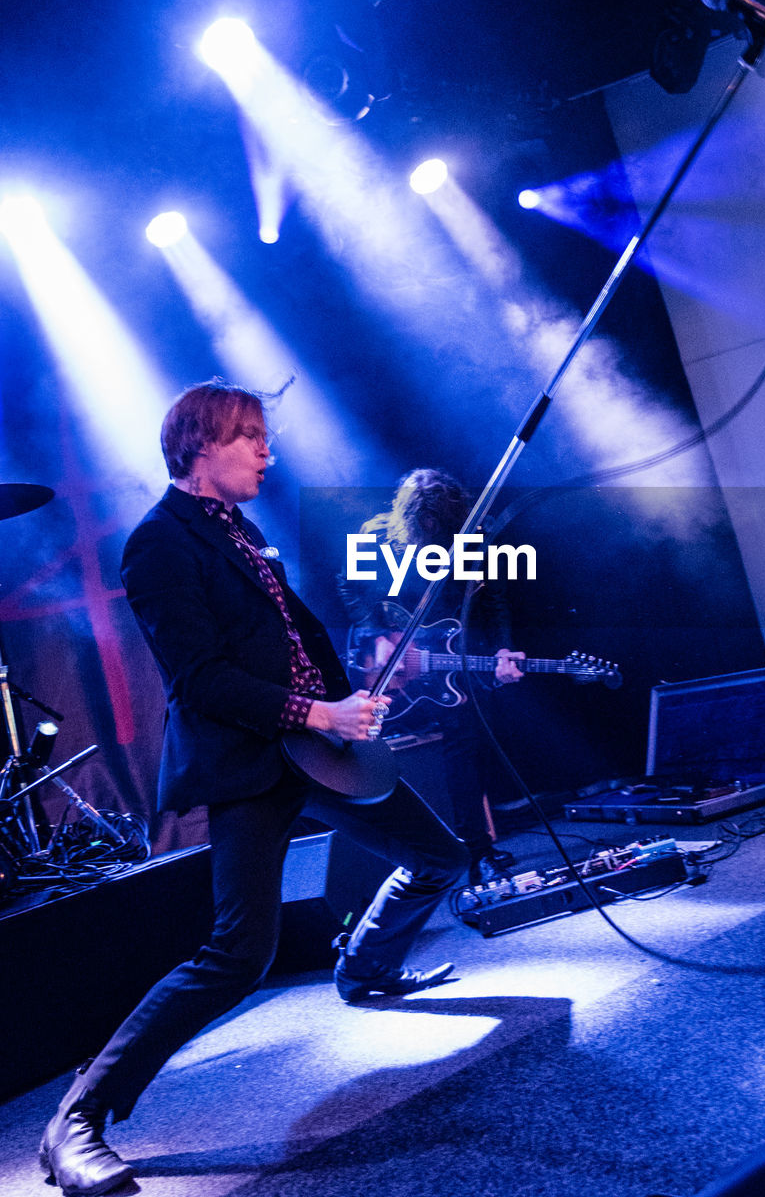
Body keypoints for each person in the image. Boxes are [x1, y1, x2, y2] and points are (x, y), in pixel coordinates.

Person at [40, 381, 467, 1197]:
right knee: (239, 953)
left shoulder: (240, 530)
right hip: (253, 762)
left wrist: (347, 706)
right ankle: (79, 1119)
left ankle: (366, 965)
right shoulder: (159, 544)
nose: (268, 452)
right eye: (251, 438)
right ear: (201, 444)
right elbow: (200, 681)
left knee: (438, 857)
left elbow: (284, 641)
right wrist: (319, 709)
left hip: (317, 745)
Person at [339, 468, 525, 887]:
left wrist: (502, 649)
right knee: (375, 751)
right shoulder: (376, 534)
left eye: (437, 529)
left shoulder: (474, 536)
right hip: (394, 664)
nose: (428, 534)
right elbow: (349, 587)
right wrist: (376, 634)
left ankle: (477, 851)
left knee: (467, 743)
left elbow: (494, 599)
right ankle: (397, 859)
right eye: (420, 527)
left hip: (448, 658)